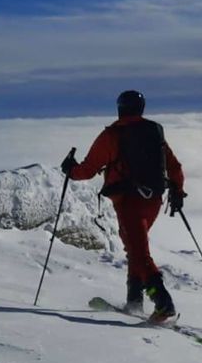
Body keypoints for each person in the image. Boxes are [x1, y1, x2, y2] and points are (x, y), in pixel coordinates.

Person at [61, 90, 186, 322]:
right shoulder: (155, 133)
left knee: (139, 252)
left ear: (120, 108)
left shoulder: (112, 135)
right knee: (134, 247)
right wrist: (177, 191)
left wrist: (70, 169)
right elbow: (174, 166)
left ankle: (162, 302)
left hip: (128, 201)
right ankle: (134, 301)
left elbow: (88, 170)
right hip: (155, 200)